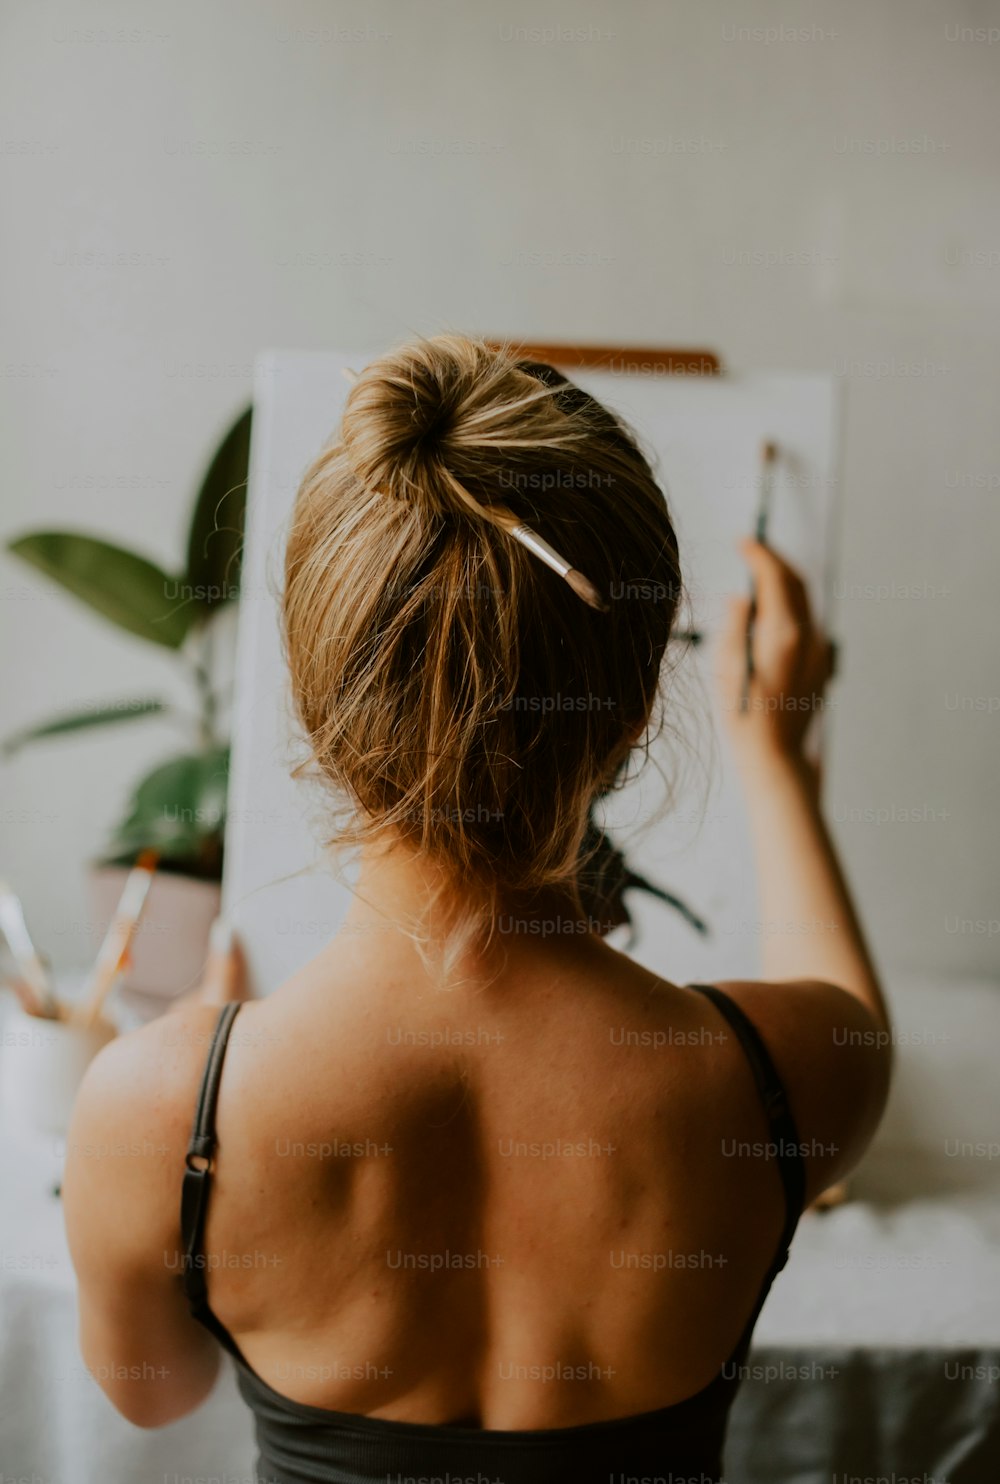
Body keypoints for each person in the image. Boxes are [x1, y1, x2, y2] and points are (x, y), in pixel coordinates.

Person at [64, 336, 891, 1484]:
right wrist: (773, 756)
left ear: (311, 695)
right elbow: (854, 1013)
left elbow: (154, 1397)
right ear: (645, 698)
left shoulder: (157, 1112)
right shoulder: (787, 1072)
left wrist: (202, 1060)